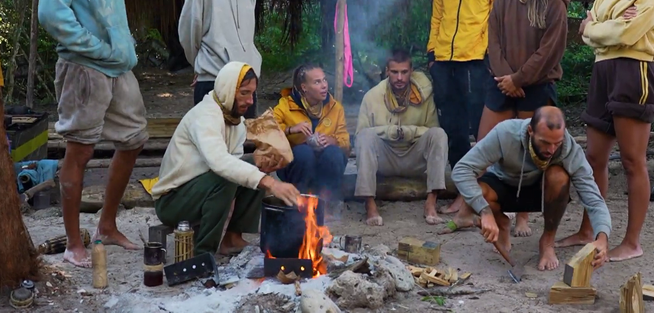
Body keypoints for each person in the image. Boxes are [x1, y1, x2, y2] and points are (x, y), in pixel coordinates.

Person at [38, 0, 146, 267]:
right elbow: (51, 13)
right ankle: (73, 244)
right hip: (84, 67)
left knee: (133, 140)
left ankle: (107, 226)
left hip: (119, 67)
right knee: (80, 150)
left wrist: (120, 49)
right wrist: (96, 47)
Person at [556, 0, 654, 262]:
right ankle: (589, 230)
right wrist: (603, 26)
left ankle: (632, 242)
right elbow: (588, 27)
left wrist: (600, 27)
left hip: (634, 70)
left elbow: (628, 33)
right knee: (594, 158)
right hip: (603, 70)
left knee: (632, 161)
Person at [151, 62, 300, 257]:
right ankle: (203, 253)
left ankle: (232, 238)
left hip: (200, 190)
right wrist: (271, 183)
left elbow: (235, 163)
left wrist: (262, 168)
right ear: (227, 90)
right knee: (228, 177)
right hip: (172, 202)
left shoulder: (235, 121)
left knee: (255, 166)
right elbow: (220, 163)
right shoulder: (205, 116)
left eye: (252, 94)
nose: (250, 101)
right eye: (244, 93)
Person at [479, 0, 570, 238]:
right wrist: (507, 78)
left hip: (535, 86)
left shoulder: (554, 4)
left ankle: (522, 216)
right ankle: (480, 209)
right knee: (483, 145)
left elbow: (548, 53)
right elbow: (493, 42)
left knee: (530, 154)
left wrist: (518, 79)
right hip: (502, 83)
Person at [451, 107, 611, 271]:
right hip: (503, 184)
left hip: (539, 192)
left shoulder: (570, 149)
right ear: (530, 131)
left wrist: (602, 236)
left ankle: (547, 242)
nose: (551, 150)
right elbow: (462, 170)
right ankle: (502, 223)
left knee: (559, 177)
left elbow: (594, 199)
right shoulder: (505, 133)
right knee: (480, 191)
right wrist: (484, 211)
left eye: (557, 143)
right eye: (545, 142)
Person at [428, 0, 510, 215]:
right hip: (444, 63)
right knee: (453, 129)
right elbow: (437, 19)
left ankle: (489, 190)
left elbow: (499, 21)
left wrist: (488, 57)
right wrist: (432, 54)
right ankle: (464, 192)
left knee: (481, 128)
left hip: (476, 62)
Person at [355, 49, 449, 226]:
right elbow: (360, 135)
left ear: (411, 71)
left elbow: (432, 130)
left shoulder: (424, 95)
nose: (400, 78)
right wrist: (390, 132)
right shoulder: (372, 97)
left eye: (404, 72)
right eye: (395, 72)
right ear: (387, 71)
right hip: (385, 159)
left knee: (439, 135)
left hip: (414, 157)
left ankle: (431, 202)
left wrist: (408, 132)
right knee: (365, 137)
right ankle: (370, 205)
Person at [179, 0, 263, 118]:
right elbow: (189, 35)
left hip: (246, 82)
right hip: (213, 82)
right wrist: (202, 65)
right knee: (212, 137)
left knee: (244, 137)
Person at [274, 63, 349, 211]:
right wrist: (290, 130)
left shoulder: (335, 108)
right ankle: (299, 202)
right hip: (295, 167)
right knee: (304, 152)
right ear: (304, 87)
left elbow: (346, 141)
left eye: (324, 80)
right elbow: (266, 130)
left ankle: (327, 205)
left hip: (324, 167)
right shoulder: (286, 106)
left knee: (333, 153)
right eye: (317, 82)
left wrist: (333, 140)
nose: (324, 85)